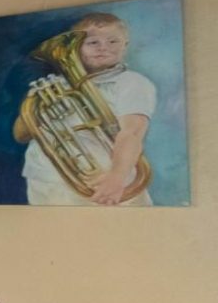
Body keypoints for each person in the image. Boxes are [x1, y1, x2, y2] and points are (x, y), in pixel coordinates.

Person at [14, 12, 155, 206]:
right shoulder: (54, 88)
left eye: (113, 41)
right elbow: (21, 135)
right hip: (45, 178)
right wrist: (37, 106)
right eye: (93, 42)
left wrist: (116, 177)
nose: (103, 47)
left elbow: (132, 133)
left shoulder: (131, 82)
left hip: (105, 179)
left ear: (125, 45)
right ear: (78, 47)